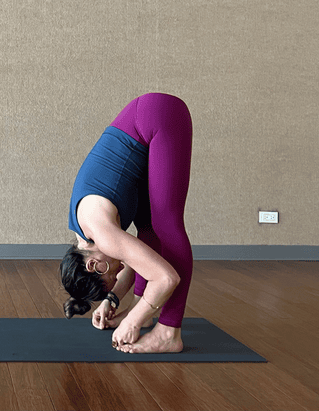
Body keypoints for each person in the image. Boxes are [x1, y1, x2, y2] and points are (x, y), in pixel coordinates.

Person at [60, 92, 193, 354]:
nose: (119, 268)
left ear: (94, 264)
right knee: (149, 232)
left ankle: (168, 333)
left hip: (158, 118)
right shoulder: (85, 232)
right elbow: (140, 257)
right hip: (145, 124)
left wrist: (134, 321)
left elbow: (166, 277)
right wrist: (114, 298)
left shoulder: (103, 233)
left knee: (167, 227)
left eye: (112, 274)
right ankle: (146, 310)